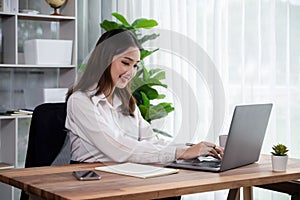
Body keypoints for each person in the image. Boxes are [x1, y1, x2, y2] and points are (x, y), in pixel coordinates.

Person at [65, 28, 223, 166]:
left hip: (124, 171)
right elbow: (117, 147)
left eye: (135, 65)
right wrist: (180, 153)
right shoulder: (80, 101)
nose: (131, 72)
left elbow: (149, 140)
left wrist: (192, 148)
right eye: (126, 63)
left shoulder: (125, 102)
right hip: (92, 176)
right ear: (105, 60)